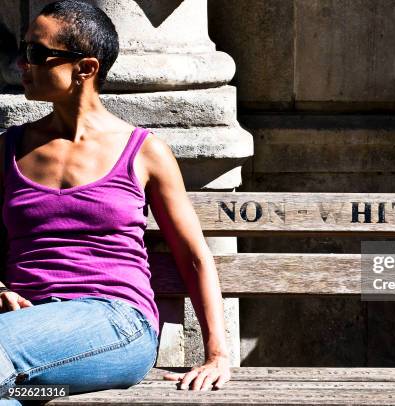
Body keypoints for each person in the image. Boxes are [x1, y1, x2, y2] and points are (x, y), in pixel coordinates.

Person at [0, 0, 231, 402]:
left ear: (85, 68)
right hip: (27, 333)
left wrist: (217, 354)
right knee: (7, 391)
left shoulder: (143, 152)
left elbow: (194, 256)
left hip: (115, 324)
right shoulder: (8, 149)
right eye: (23, 50)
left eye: (37, 53)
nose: (21, 63)